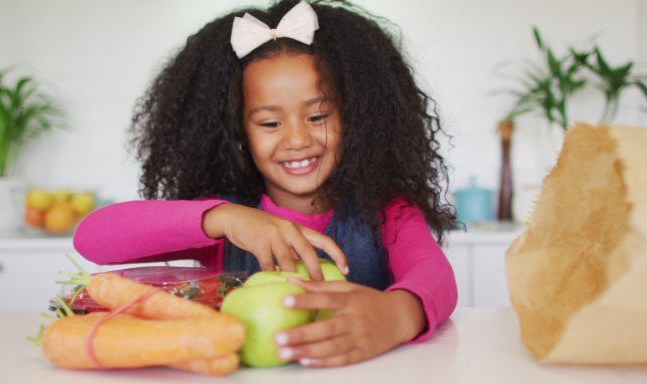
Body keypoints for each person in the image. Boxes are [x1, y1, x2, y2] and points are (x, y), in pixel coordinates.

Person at [74, 0, 458, 368]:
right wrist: (225, 219)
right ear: (240, 133)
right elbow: (92, 238)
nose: (296, 140)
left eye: (318, 116)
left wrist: (397, 315)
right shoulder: (222, 224)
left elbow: (435, 275)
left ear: (355, 118)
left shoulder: (388, 212)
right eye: (270, 123)